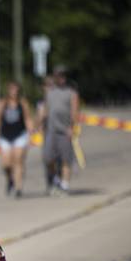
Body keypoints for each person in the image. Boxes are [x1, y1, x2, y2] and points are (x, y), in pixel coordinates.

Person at [41, 66, 79, 195]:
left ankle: (65, 184)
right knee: (48, 158)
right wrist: (40, 125)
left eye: (63, 76)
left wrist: (72, 127)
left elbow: (74, 112)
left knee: (66, 158)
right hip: (51, 129)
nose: (61, 78)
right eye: (58, 76)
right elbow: (45, 110)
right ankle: (56, 178)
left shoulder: (71, 93)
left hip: (65, 130)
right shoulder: (50, 92)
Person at [0, 82, 34, 198]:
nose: (13, 91)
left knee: (18, 160)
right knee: (6, 163)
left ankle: (18, 187)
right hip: (5, 136)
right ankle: (10, 179)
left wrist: (31, 134)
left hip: (20, 135)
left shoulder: (22, 103)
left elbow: (27, 118)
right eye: (11, 89)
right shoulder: (2, 103)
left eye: (15, 89)